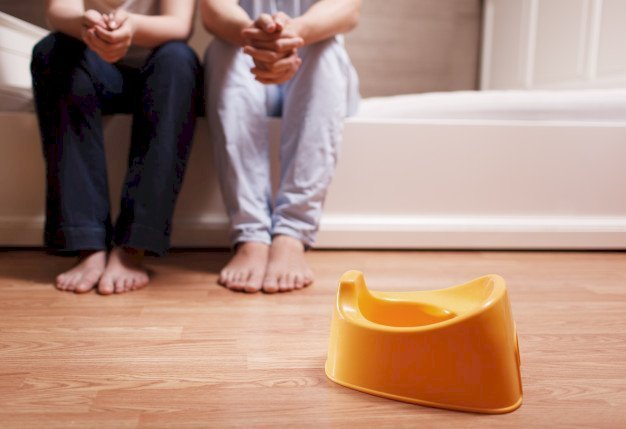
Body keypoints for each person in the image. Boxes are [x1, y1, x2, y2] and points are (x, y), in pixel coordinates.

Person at [31, 0, 201, 294]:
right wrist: (89, 26)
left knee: (179, 59)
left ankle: (135, 244)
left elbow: (179, 24)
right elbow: (58, 10)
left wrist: (131, 27)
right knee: (52, 51)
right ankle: (87, 243)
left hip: (158, 69)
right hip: (90, 64)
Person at [201, 0, 360, 293]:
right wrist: (255, 37)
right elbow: (212, 12)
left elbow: (348, 11)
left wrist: (293, 33)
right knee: (224, 50)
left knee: (324, 50)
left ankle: (292, 233)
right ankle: (251, 235)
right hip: (248, 61)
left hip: (313, 69)